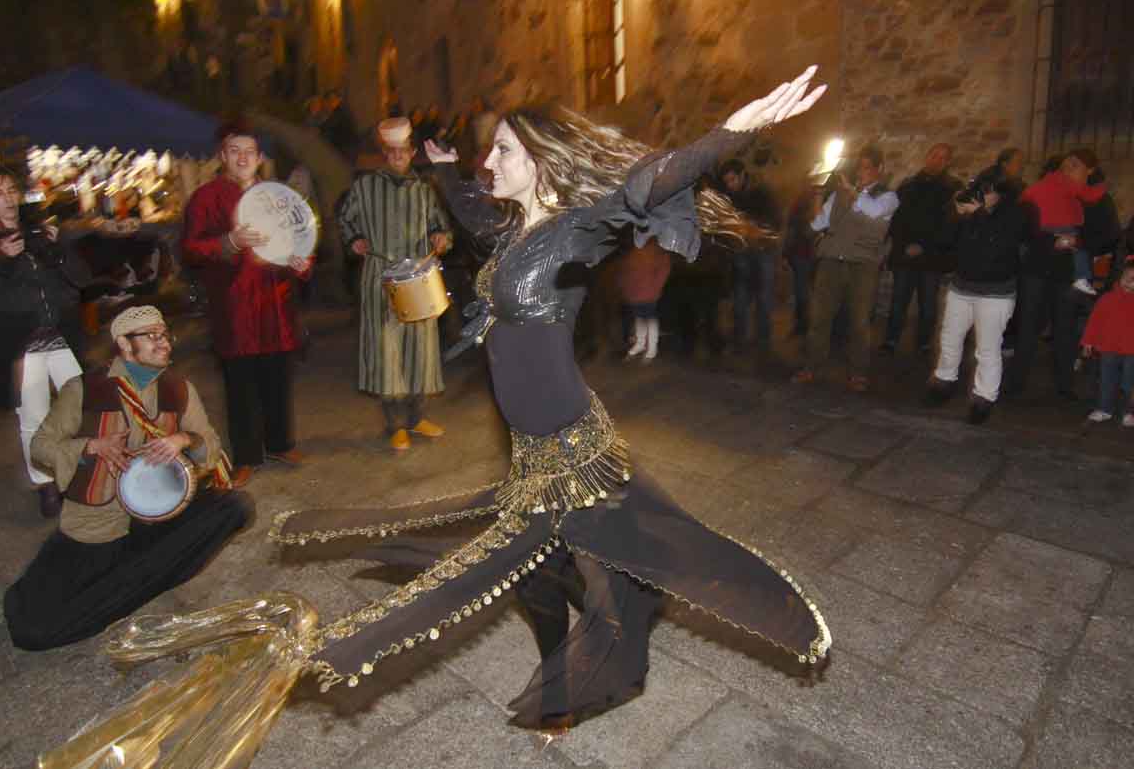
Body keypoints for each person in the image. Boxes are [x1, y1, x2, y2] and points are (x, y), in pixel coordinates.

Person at [272, 67, 831, 728]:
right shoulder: (518, 229)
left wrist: (736, 129)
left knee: (473, 571)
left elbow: (651, 182)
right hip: (532, 450)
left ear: (543, 161)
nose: (491, 160)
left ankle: (340, 650)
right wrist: (451, 173)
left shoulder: (579, 229)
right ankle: (578, 651)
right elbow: (476, 217)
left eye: (504, 149)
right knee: (540, 571)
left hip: (569, 457)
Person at [3, 306, 251, 651]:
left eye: (165, 335)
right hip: (96, 530)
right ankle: (127, 584)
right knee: (33, 631)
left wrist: (184, 440)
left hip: (154, 519)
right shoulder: (86, 390)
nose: (163, 343)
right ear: (123, 343)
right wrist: (90, 446)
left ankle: (132, 583)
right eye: (152, 336)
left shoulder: (179, 389)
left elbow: (210, 447)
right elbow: (41, 448)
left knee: (235, 506)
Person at [182, 121, 310, 485]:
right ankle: (247, 454)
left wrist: (300, 262)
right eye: (234, 151)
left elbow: (296, 239)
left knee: (278, 377)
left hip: (275, 304)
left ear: (259, 157)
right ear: (222, 155)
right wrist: (229, 242)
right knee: (240, 385)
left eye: (249, 151)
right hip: (234, 307)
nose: (242, 158)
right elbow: (190, 250)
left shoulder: (276, 197)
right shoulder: (206, 198)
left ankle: (281, 442)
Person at [0, 166, 89, 517]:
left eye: (11, 191)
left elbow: (76, 277)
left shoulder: (34, 228)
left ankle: (75, 469)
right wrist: (1, 259)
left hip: (58, 332)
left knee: (77, 403)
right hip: (20, 341)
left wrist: (57, 245)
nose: (9, 200)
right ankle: (46, 485)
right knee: (33, 413)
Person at [338, 118, 451, 450]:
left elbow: (440, 224)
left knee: (420, 348)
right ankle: (395, 424)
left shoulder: (425, 189)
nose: (398, 156)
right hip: (380, 275)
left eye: (404, 150)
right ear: (384, 153)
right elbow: (346, 219)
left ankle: (417, 418)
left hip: (418, 275)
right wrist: (355, 238)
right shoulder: (364, 187)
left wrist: (441, 237)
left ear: (412, 152)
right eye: (392, 151)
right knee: (387, 349)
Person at [791, 146, 899, 392]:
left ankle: (858, 372)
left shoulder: (888, 197)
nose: (861, 173)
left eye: (866, 168)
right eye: (858, 167)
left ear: (879, 169)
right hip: (831, 261)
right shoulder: (840, 194)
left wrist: (853, 193)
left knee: (859, 322)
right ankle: (811, 366)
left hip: (863, 264)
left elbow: (873, 212)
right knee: (819, 317)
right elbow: (819, 223)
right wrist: (819, 193)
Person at [924, 174, 1026, 424]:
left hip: (995, 293)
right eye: (982, 190)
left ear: (1001, 195)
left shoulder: (1014, 216)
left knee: (987, 348)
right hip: (962, 288)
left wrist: (980, 214)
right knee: (949, 338)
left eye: (990, 191)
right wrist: (956, 215)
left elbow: (1000, 246)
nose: (984, 195)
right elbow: (944, 241)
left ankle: (984, 399)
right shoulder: (970, 216)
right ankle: (943, 383)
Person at [1007, 149, 1108, 399]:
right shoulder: (1047, 186)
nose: (1068, 169)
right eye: (1066, 165)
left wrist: (1077, 241)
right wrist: (1052, 240)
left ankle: (1065, 386)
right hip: (1037, 267)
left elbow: (1104, 234)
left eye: (1075, 165)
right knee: (1029, 325)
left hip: (1066, 271)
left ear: (1090, 170)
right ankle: (1015, 383)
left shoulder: (1096, 199)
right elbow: (1024, 228)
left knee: (1065, 328)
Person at [881, 143, 961, 355]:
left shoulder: (953, 188)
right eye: (934, 155)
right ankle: (891, 339)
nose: (937, 160)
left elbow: (950, 224)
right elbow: (897, 219)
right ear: (927, 157)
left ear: (948, 162)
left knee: (928, 306)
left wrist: (924, 246)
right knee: (898, 302)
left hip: (932, 257)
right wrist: (905, 245)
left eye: (943, 157)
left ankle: (923, 343)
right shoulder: (908, 185)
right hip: (905, 255)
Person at [720, 159, 783, 350]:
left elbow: (775, 221)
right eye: (727, 182)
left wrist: (753, 226)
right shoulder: (731, 195)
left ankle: (762, 340)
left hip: (764, 251)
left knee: (763, 297)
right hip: (742, 251)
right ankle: (740, 337)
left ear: (742, 175)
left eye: (732, 180)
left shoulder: (762, 192)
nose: (730, 186)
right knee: (740, 296)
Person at [1080, 263, 1134, 426]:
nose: (1131, 281)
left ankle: (1128, 412)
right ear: (1120, 278)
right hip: (1109, 347)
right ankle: (1104, 408)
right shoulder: (1107, 298)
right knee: (1106, 379)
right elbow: (1094, 321)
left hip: (1131, 350)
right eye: (1128, 277)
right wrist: (1088, 342)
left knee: (1129, 382)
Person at [616, 239, 670, 362]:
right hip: (642, 295)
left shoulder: (642, 253)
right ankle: (646, 348)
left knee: (645, 319)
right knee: (645, 319)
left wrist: (656, 286)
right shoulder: (647, 253)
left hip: (641, 295)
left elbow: (625, 275)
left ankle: (646, 347)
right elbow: (663, 269)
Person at [783, 186, 819, 336]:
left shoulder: (802, 206)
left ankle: (802, 325)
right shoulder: (804, 205)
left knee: (801, 291)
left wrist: (786, 252)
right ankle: (802, 324)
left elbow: (798, 231)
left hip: (802, 253)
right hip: (801, 253)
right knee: (801, 291)